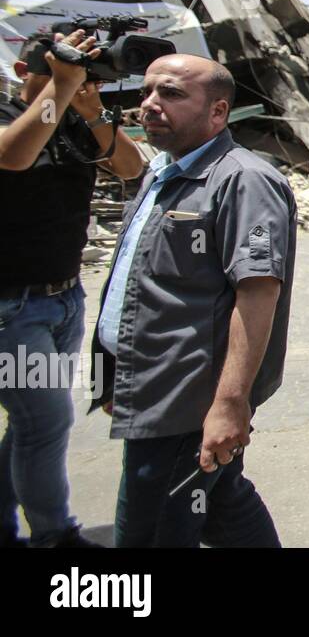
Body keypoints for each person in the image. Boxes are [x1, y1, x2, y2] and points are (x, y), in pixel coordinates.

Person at [89, 54, 296, 547]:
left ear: (218, 111)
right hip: (149, 383)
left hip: (186, 400)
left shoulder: (243, 180)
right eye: (146, 92)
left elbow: (257, 292)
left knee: (150, 532)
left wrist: (229, 404)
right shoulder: (162, 171)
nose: (150, 104)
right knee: (222, 505)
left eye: (171, 93)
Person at [0, 31, 144, 548]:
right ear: (23, 73)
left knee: (30, 424)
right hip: (10, 305)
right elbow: (14, 156)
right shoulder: (8, 116)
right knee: (46, 419)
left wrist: (91, 110)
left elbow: (131, 168)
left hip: (63, 298)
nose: (73, 78)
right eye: (59, 69)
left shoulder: (72, 121)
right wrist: (60, 89)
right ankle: (55, 536)